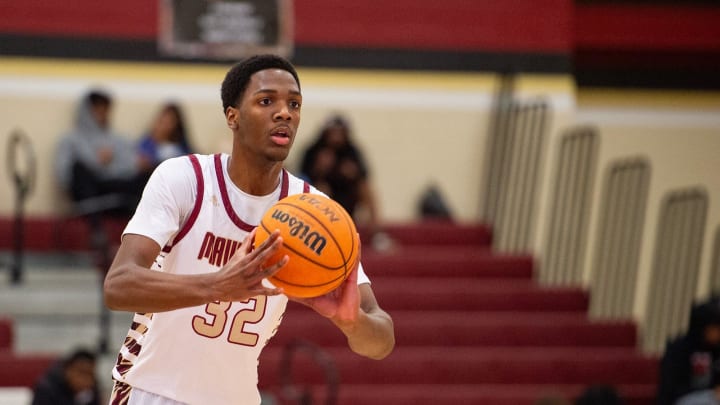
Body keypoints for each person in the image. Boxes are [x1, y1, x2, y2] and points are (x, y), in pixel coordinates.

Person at [103, 54, 395, 405]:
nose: (284, 112)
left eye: (294, 104)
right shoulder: (184, 179)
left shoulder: (312, 209)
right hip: (151, 391)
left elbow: (381, 339)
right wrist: (215, 285)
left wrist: (352, 324)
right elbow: (118, 285)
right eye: (266, 100)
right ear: (233, 116)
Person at [54, 89, 146, 220]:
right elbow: (64, 177)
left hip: (114, 190)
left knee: (147, 175)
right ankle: (95, 224)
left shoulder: (119, 139)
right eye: (97, 108)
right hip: (88, 192)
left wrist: (111, 164)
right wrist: (96, 162)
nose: (102, 113)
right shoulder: (70, 140)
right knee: (78, 168)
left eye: (105, 109)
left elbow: (133, 166)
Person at [299, 115, 381, 234]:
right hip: (322, 195)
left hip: (347, 194)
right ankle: (321, 228)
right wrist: (319, 169)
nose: (336, 136)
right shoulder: (314, 150)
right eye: (333, 132)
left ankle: (376, 232)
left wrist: (352, 173)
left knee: (366, 189)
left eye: (340, 132)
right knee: (321, 189)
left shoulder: (352, 151)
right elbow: (301, 176)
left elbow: (364, 175)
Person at [658, 297, 720, 405]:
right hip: (683, 399)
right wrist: (710, 393)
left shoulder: (716, 350)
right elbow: (670, 389)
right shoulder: (679, 349)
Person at [136, 102, 193, 173]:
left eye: (169, 123)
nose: (164, 126)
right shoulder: (147, 143)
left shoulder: (181, 149)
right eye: (162, 122)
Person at [31, 348, 100, 405]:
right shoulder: (46, 389)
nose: (87, 380)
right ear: (68, 370)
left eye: (90, 374)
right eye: (82, 373)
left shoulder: (91, 389)